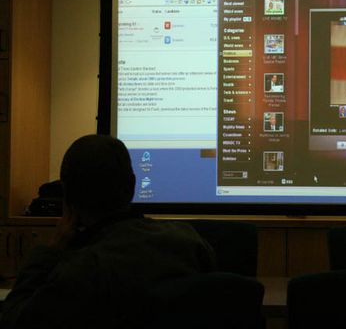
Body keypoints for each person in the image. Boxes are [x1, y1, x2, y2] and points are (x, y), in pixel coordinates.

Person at [0, 135, 216, 329]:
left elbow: (14, 320)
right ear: (132, 186)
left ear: (67, 197)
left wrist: (53, 249)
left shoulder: (82, 270)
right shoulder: (190, 242)